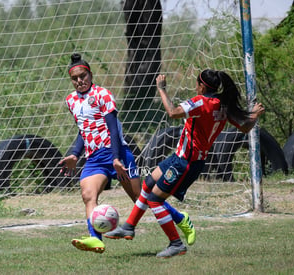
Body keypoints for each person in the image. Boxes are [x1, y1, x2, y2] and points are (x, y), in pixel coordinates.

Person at [104, 70, 265, 258]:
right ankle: (129, 227)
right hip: (181, 157)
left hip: (185, 163)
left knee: (155, 200)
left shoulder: (200, 102)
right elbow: (245, 126)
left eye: (196, 83)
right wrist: (254, 114)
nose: (195, 86)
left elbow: (173, 112)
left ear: (202, 86)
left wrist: (162, 90)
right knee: (148, 183)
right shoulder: (223, 105)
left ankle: (176, 243)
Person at [59, 53, 196, 254]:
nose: (79, 81)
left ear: (90, 74)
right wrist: (74, 154)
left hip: (118, 155)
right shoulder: (71, 100)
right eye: (75, 78)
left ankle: (180, 219)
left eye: (83, 76)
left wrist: (116, 158)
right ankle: (95, 239)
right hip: (94, 159)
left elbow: (113, 129)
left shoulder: (103, 95)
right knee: (88, 196)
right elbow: (84, 130)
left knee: (144, 200)